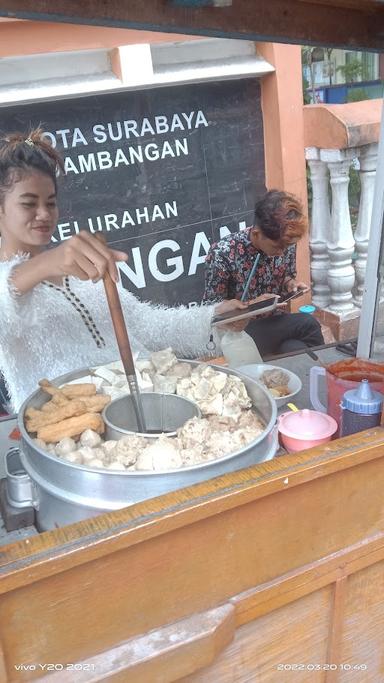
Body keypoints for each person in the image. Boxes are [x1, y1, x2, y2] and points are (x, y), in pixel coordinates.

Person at [0, 129, 261, 413]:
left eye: (50, 202)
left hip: (145, 408)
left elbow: (146, 326)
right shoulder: (21, 279)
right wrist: (43, 264)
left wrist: (213, 318)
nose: (44, 214)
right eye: (28, 203)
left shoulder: (82, 268)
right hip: (71, 437)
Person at [203, 190, 324, 357]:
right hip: (239, 332)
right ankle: (325, 373)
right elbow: (211, 310)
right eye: (277, 247)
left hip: (275, 324)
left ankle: (315, 376)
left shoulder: (284, 241)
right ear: (256, 234)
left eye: (286, 247)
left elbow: (285, 274)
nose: (282, 253)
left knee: (293, 348)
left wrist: (290, 283)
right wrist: (253, 305)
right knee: (308, 324)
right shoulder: (222, 253)